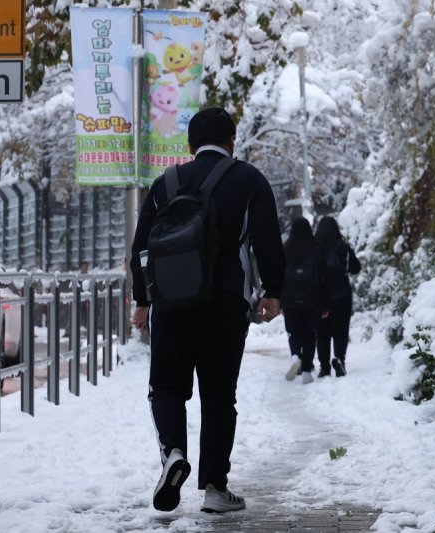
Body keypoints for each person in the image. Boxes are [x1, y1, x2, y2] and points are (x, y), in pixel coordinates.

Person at [129, 108, 285, 514]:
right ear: (232, 140)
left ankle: (174, 455)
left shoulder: (165, 183)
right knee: (218, 394)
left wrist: (142, 300)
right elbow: (267, 239)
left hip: (171, 302)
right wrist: (274, 291)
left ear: (189, 146)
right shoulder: (248, 179)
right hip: (226, 303)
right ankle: (216, 488)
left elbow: (142, 247)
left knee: (166, 386)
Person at [281, 217, 329, 384]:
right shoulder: (316, 249)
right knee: (309, 335)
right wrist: (325, 304)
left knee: (294, 333)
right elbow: (324, 278)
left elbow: (279, 276)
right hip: (312, 300)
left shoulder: (286, 249)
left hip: (290, 300)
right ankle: (307, 370)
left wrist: (280, 299)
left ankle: (295, 356)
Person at [314, 216, 361, 377]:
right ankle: (339, 358)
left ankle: (324, 367)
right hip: (342, 295)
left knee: (322, 334)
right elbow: (356, 268)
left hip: (319, 296)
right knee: (341, 331)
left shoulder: (314, 248)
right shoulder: (343, 248)